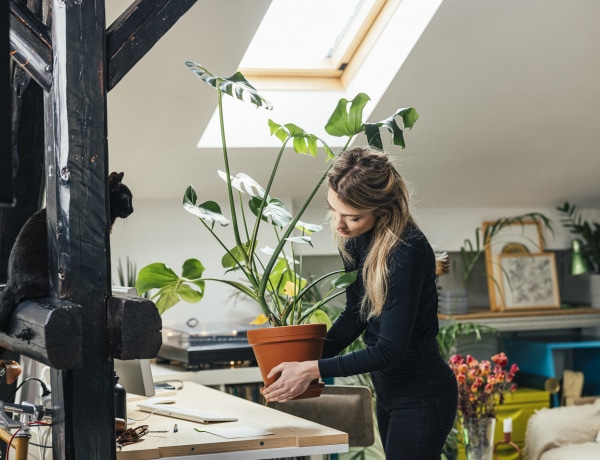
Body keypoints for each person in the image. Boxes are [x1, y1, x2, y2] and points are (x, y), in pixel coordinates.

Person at [261, 147, 458, 459]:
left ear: (381, 211)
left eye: (352, 216)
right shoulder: (355, 240)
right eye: (333, 210)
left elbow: (389, 349)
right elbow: (355, 314)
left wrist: (311, 369)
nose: (339, 225)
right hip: (388, 391)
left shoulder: (407, 251)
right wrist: (296, 365)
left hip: (422, 394)